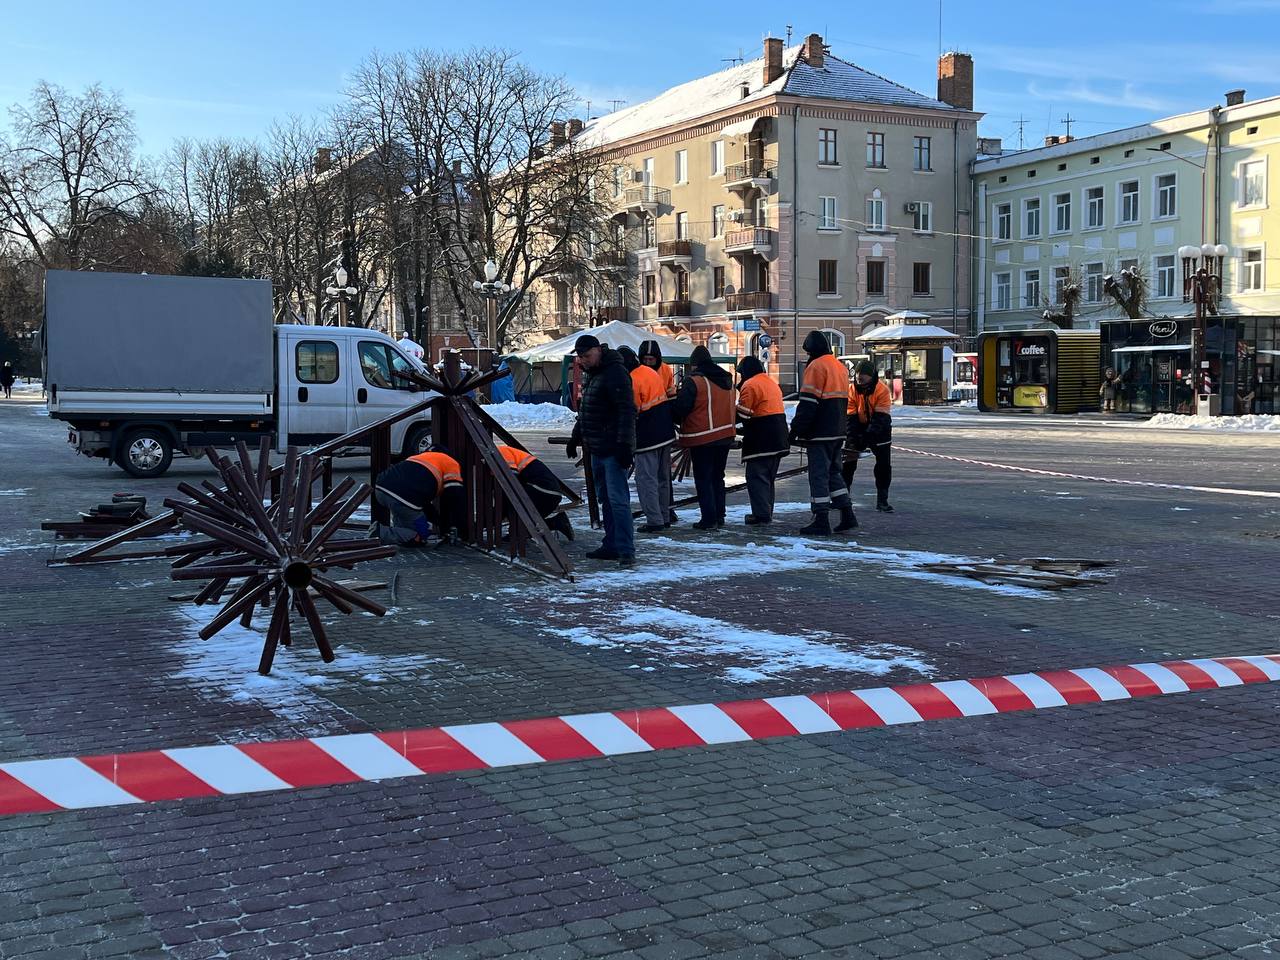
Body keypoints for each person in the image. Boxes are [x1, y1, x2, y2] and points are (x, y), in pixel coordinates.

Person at [567, 335, 637, 566]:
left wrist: (624, 446)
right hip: (597, 447)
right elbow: (588, 409)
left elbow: (626, 411)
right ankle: (612, 544)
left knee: (617, 500)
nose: (583, 361)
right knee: (605, 498)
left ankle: (625, 549)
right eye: (581, 357)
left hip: (613, 448)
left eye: (587, 356)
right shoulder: (594, 373)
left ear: (598, 350)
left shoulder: (615, 372)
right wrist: (576, 436)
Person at [790, 330, 855, 534]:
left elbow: (809, 402)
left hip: (820, 432)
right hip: (838, 430)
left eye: (808, 352)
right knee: (834, 473)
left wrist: (796, 430)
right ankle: (847, 514)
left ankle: (821, 519)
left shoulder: (816, 366)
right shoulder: (839, 366)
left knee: (818, 475)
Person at [671, 345, 736, 530]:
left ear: (694, 365)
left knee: (703, 479)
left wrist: (670, 411)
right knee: (717, 477)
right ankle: (719, 515)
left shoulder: (695, 382)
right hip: (725, 435)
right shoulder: (727, 381)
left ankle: (708, 519)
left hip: (702, 436)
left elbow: (681, 408)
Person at [617, 346, 675, 533]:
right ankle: (665, 516)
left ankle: (654, 520)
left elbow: (632, 411)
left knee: (646, 479)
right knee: (663, 478)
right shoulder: (650, 372)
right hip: (665, 431)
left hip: (648, 435)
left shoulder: (632, 379)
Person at [735, 355, 789, 524]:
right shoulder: (770, 382)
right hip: (778, 437)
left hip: (761, 441)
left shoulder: (750, 385)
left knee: (756, 477)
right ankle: (766, 511)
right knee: (768, 479)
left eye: (741, 374)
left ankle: (761, 515)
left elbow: (743, 414)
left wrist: (726, 417)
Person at [374, 448, 464, 546]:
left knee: (406, 525)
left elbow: (424, 504)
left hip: (380, 489)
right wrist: (454, 523)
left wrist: (439, 522)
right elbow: (454, 496)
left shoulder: (419, 457)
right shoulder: (450, 462)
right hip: (403, 498)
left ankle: (394, 534)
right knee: (420, 535)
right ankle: (379, 533)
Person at [843, 359, 894, 513]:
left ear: (871, 376)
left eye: (863, 377)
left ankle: (882, 500)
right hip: (858, 426)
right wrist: (854, 437)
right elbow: (850, 416)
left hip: (880, 429)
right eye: (858, 376)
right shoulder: (851, 389)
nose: (859, 379)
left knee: (883, 466)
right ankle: (843, 498)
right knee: (847, 464)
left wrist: (869, 435)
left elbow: (881, 417)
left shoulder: (882, 390)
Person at [495, 444, 574, 540]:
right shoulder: (495, 455)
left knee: (517, 528)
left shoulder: (500, 452)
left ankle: (556, 523)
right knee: (517, 530)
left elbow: (511, 483)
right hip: (547, 493)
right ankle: (557, 522)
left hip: (542, 492)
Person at [638, 339, 678, 524]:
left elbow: (671, 395)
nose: (648, 362)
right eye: (645, 359)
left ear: (658, 358)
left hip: (657, 426)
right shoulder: (640, 372)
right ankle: (663, 513)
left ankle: (665, 512)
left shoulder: (666, 370)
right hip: (655, 428)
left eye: (651, 359)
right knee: (659, 476)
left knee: (659, 476)